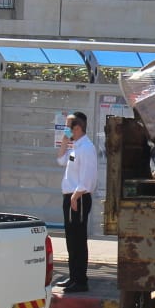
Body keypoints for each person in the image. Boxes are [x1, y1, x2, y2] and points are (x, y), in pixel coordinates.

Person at [56, 111, 97, 293]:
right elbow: (61, 160)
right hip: (71, 196)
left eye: (68, 127)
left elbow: (89, 177)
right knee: (71, 239)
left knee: (78, 240)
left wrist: (76, 195)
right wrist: (65, 141)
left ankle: (81, 280)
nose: (66, 130)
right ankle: (73, 277)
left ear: (78, 128)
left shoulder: (86, 148)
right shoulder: (76, 147)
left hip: (78, 198)